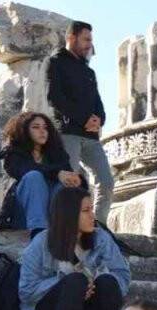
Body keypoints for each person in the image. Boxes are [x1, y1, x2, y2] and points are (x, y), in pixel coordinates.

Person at [18, 188, 129, 310]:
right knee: (76, 281)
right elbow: (26, 291)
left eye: (92, 209)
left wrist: (95, 282)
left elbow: (123, 277)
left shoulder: (101, 238)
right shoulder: (41, 243)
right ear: (68, 214)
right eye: (86, 210)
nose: (92, 215)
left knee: (108, 281)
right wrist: (64, 283)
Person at [47, 21, 113, 225]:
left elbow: (98, 102)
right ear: (71, 38)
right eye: (86, 39)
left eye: (91, 40)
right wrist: (84, 118)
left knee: (107, 181)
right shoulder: (55, 62)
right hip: (68, 133)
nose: (89, 44)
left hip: (91, 136)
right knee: (70, 183)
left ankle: (98, 225)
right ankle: (65, 226)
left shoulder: (89, 71)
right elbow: (55, 98)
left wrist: (99, 120)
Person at [0, 111, 81, 231]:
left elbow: (68, 176)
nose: (42, 131)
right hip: (24, 217)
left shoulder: (58, 154)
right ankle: (38, 232)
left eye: (45, 128)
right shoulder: (14, 154)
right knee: (33, 177)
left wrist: (76, 180)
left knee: (66, 184)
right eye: (36, 127)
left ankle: (64, 232)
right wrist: (57, 174)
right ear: (24, 130)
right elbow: (24, 170)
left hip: (53, 216)